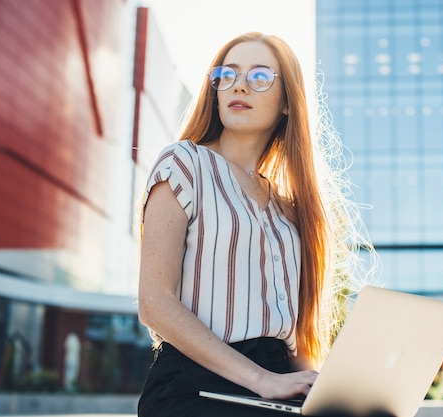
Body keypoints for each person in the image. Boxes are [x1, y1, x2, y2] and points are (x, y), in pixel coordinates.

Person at [137, 32, 378, 417]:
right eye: (227, 75)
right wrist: (262, 380)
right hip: (196, 387)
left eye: (260, 76)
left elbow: (295, 342)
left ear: (287, 102)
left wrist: (328, 391)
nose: (240, 85)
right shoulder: (185, 164)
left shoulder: (290, 209)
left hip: (277, 382)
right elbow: (154, 303)